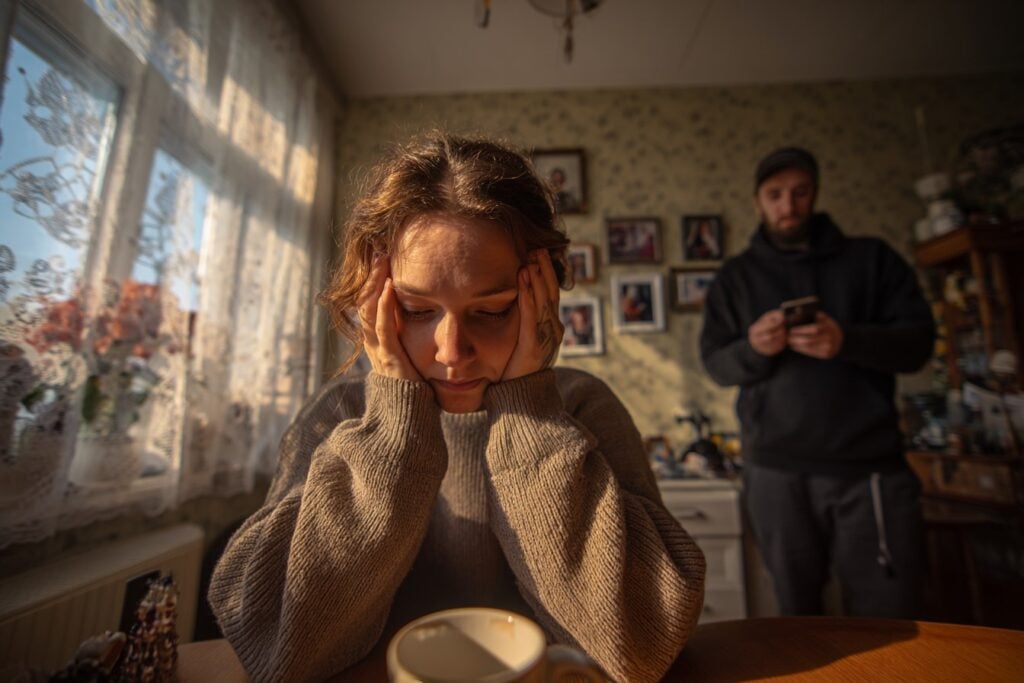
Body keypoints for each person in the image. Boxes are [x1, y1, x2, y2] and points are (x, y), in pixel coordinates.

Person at [209, 133, 706, 682]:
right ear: (374, 304)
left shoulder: (583, 407)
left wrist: (530, 412)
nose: (452, 351)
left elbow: (641, 647)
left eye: (491, 311)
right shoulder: (338, 416)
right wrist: (394, 427)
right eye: (416, 310)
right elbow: (276, 649)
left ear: (543, 297)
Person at [699, 147, 935, 618]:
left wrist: (848, 340)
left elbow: (919, 345)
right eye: (775, 195)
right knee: (796, 617)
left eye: (800, 192)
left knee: (888, 617)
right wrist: (754, 349)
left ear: (815, 194)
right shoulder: (735, 277)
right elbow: (716, 365)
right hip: (775, 473)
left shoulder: (873, 259)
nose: (788, 205)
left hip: (869, 471)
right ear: (758, 201)